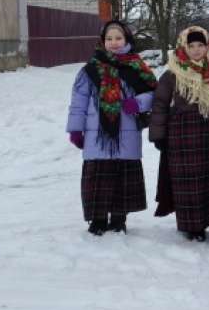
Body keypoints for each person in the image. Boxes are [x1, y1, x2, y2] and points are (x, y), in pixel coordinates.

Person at [149, 26, 209, 244]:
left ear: (208, 46)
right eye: (191, 45)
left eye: (200, 45)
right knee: (189, 184)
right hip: (184, 139)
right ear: (183, 47)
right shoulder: (172, 74)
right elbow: (160, 105)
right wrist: (159, 136)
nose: (196, 50)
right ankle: (194, 226)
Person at [66, 20, 157, 235]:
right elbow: (78, 102)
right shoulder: (90, 70)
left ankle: (118, 219)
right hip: (96, 134)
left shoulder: (138, 67)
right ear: (102, 42)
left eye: (118, 38)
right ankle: (97, 220)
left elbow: (154, 94)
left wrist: (139, 102)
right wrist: (75, 129)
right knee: (98, 178)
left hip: (127, 133)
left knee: (122, 178)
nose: (114, 43)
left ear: (126, 40)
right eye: (109, 39)